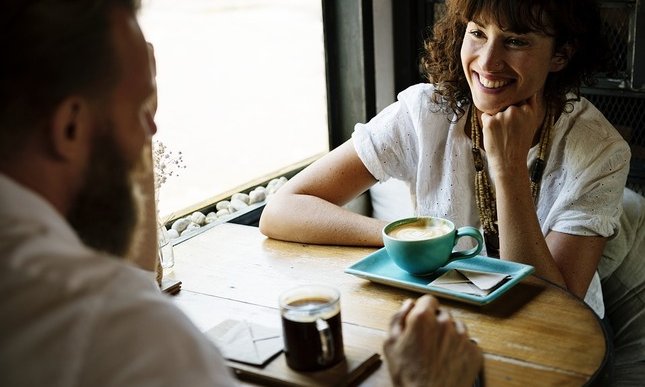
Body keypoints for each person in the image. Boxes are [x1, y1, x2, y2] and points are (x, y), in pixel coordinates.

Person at [0, 0, 482, 386]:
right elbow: (127, 290)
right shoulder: (129, 336)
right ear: (69, 127)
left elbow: (128, 278)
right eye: (141, 111)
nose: (153, 133)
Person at [259, 0, 631, 320]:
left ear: (561, 54)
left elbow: (554, 307)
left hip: (562, 339)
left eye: (516, 41)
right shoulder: (426, 113)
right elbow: (282, 210)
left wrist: (509, 168)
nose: (487, 62)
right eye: (478, 33)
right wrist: (409, 242)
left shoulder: (601, 151)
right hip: (445, 316)